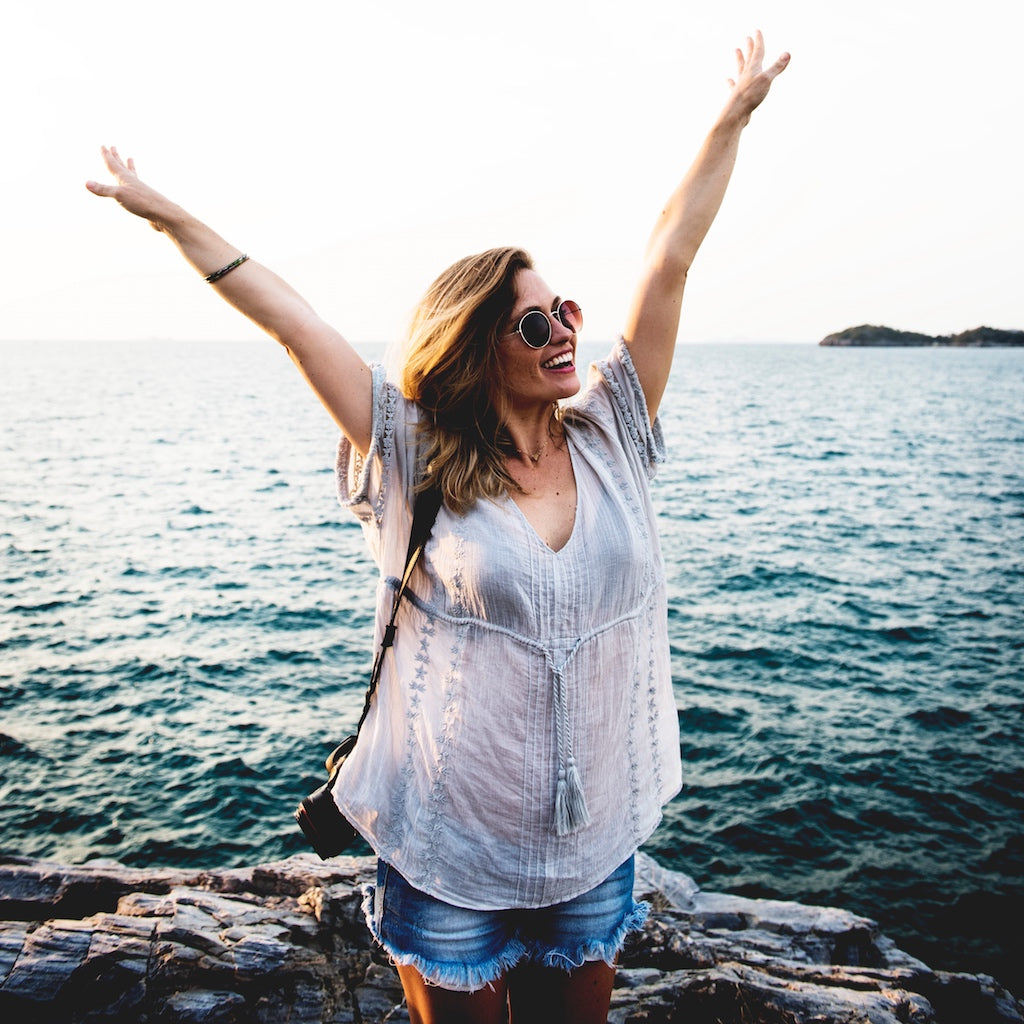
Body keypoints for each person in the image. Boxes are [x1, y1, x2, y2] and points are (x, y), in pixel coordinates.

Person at [87, 31, 788, 1024]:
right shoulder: (414, 453)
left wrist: (733, 113)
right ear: (474, 347)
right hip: (450, 847)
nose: (563, 336)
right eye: (533, 325)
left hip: (587, 851)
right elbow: (293, 319)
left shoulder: (613, 429)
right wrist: (163, 213)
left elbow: (669, 254)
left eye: (564, 314)